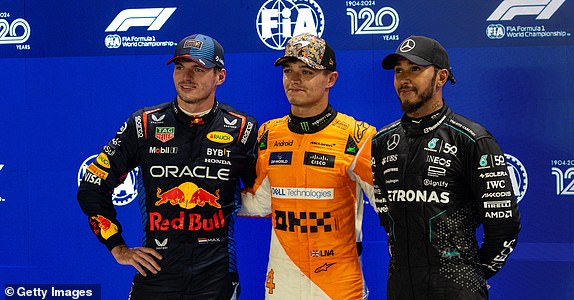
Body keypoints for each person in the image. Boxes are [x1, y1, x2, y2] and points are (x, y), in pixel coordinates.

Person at [77, 33, 258, 299]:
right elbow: (92, 186)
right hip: (157, 273)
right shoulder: (144, 125)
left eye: (198, 69)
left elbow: (263, 194)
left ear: (220, 76)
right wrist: (118, 247)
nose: (187, 77)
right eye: (180, 67)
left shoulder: (243, 129)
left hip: (216, 276)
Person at [371, 35, 521, 299]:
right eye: (398, 71)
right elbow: (387, 217)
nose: (404, 79)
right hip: (400, 287)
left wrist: (474, 274)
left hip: (456, 288)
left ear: (441, 77)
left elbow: (504, 226)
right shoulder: (382, 141)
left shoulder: (472, 139)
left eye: (415, 69)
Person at [239, 33, 377, 299]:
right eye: (288, 71)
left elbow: (392, 209)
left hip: (338, 285)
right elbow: (259, 202)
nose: (295, 79)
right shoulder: (268, 135)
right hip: (282, 282)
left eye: (307, 71)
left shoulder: (358, 136)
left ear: (331, 79)